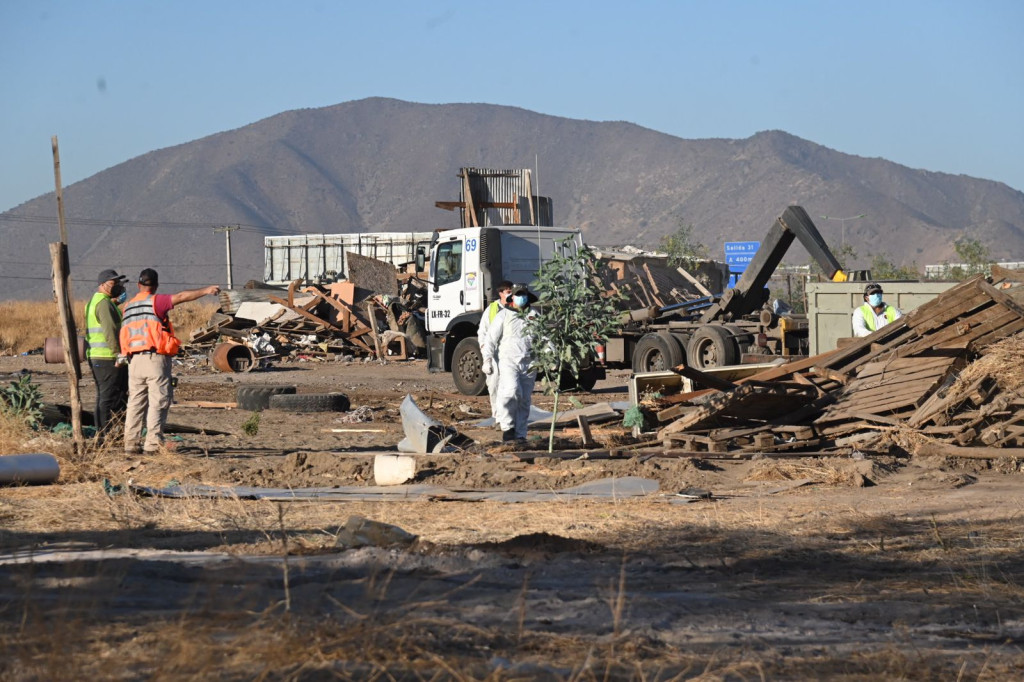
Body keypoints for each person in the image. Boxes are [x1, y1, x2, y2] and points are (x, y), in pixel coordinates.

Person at [121, 268, 220, 455]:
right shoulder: (156, 301)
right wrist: (206, 291)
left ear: (138, 285)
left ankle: (130, 444)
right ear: (156, 286)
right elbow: (181, 296)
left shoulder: (128, 306)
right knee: (157, 402)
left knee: (135, 403)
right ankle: (152, 445)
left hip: (134, 361)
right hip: (154, 359)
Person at [481, 283, 539, 442]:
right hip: (508, 361)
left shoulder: (533, 315)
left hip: (529, 362)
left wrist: (550, 354)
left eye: (523, 295)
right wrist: (487, 359)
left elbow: (543, 337)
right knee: (512, 391)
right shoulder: (503, 315)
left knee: (525, 399)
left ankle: (520, 435)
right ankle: (507, 429)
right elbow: (490, 339)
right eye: (518, 295)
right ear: (512, 297)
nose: (521, 298)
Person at [84, 269, 130, 441]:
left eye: (118, 283)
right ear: (102, 285)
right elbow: (110, 331)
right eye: (113, 283)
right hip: (106, 358)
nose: (117, 286)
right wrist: (118, 353)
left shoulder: (100, 301)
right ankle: (104, 434)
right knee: (108, 397)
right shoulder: (103, 303)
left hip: (100, 356)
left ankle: (107, 432)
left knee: (108, 396)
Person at [476, 280, 514, 420]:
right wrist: (485, 355)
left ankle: (510, 416)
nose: (511, 295)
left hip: (510, 353)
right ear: (501, 293)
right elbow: (483, 332)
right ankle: (497, 416)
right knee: (494, 385)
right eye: (508, 292)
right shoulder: (492, 309)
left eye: (512, 292)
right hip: (495, 353)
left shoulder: (515, 308)